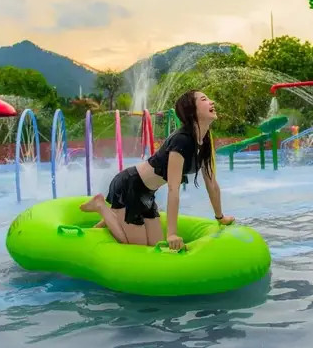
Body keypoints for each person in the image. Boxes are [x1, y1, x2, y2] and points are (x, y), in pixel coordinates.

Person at [80, 90, 234, 250]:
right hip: (129, 185)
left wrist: (220, 217)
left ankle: (114, 217)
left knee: (154, 246)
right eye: (204, 99)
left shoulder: (205, 140)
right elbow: (173, 190)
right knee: (133, 245)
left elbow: (212, 184)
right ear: (192, 110)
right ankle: (101, 206)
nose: (212, 102)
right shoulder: (181, 141)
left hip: (147, 194)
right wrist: (172, 234)